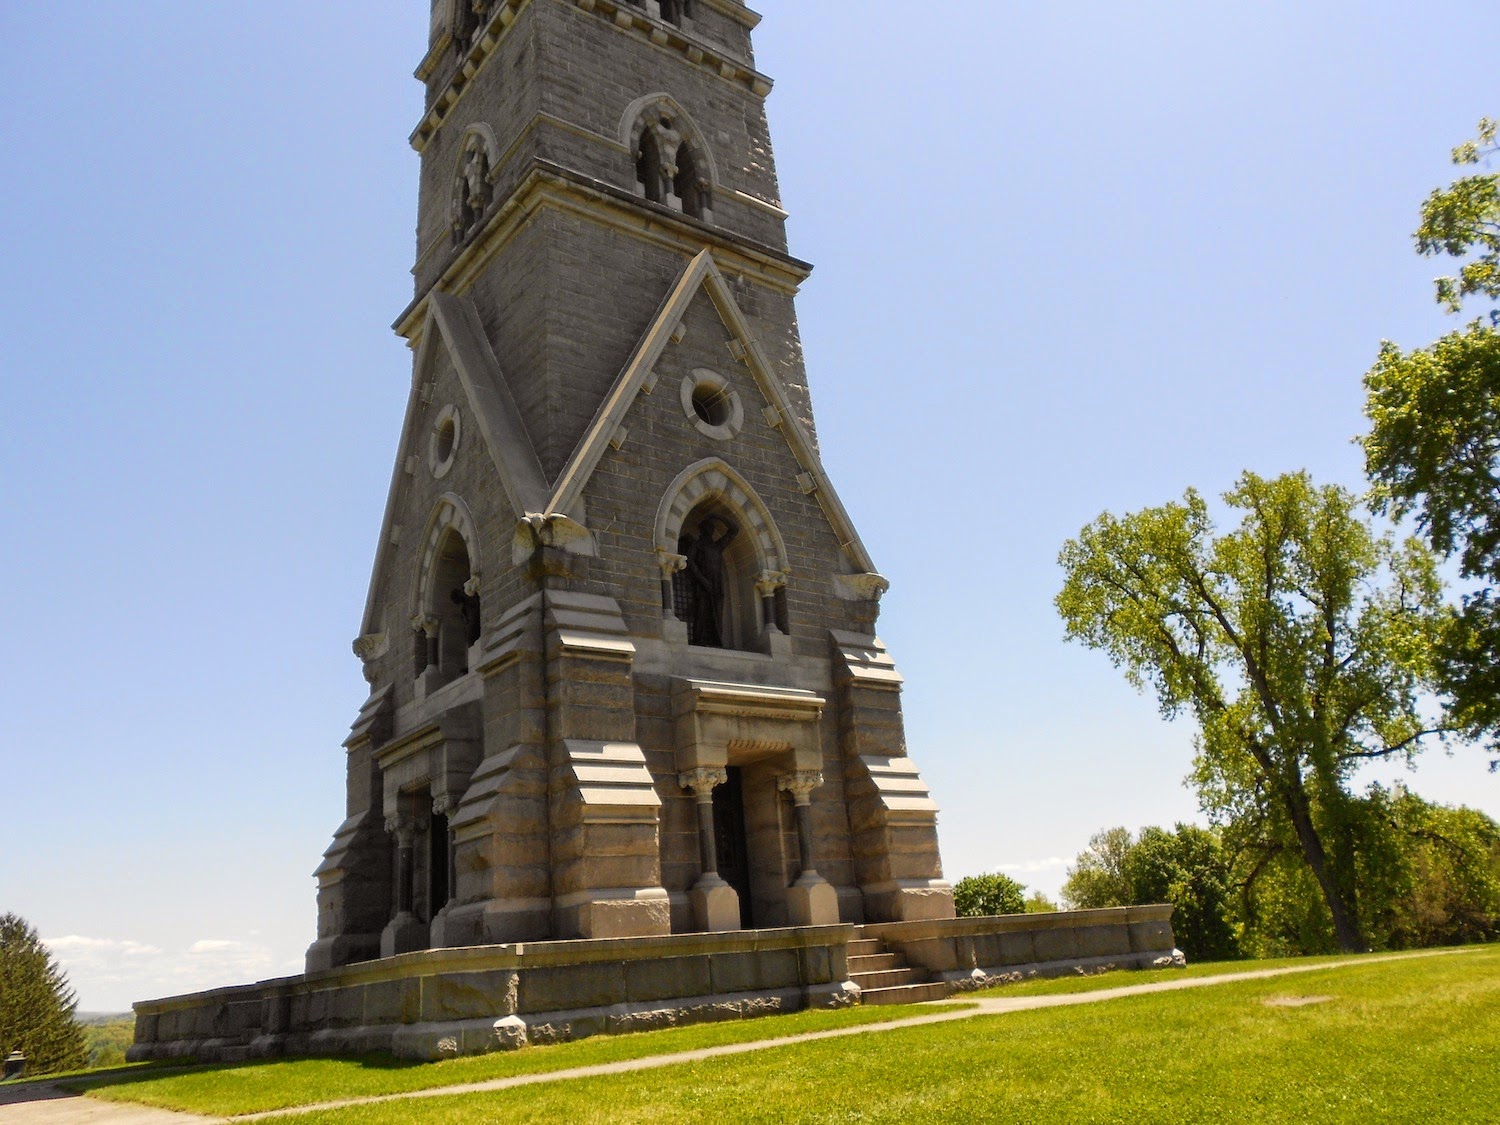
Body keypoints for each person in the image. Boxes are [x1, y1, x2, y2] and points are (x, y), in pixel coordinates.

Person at [684, 515, 736, 647]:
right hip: (702, 585)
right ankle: (697, 640)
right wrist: (703, 580)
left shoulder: (717, 547)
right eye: (707, 528)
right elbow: (690, 562)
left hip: (716, 585)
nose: (710, 530)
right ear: (702, 530)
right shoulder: (697, 545)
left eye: (711, 528)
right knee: (701, 612)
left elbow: (734, 530)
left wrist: (719, 517)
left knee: (717, 615)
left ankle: (717, 642)